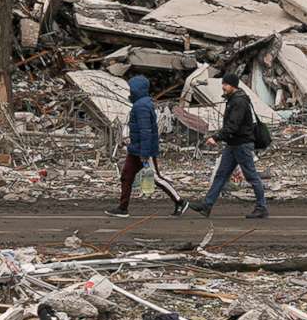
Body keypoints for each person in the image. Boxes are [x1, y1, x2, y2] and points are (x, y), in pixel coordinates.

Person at [192, 66, 269, 219]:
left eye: (225, 84)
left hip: (241, 144)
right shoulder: (234, 100)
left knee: (251, 176)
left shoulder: (239, 101)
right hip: (233, 144)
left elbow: (233, 125)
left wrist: (216, 137)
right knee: (221, 175)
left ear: (232, 85)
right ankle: (207, 205)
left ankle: (262, 207)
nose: (223, 87)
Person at [111, 74, 184, 216]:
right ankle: (122, 208)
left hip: (144, 151)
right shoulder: (141, 104)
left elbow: (146, 131)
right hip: (136, 149)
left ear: (137, 90)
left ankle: (179, 201)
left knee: (156, 178)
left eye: (131, 89)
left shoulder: (142, 106)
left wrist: (144, 154)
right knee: (126, 175)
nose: (129, 92)